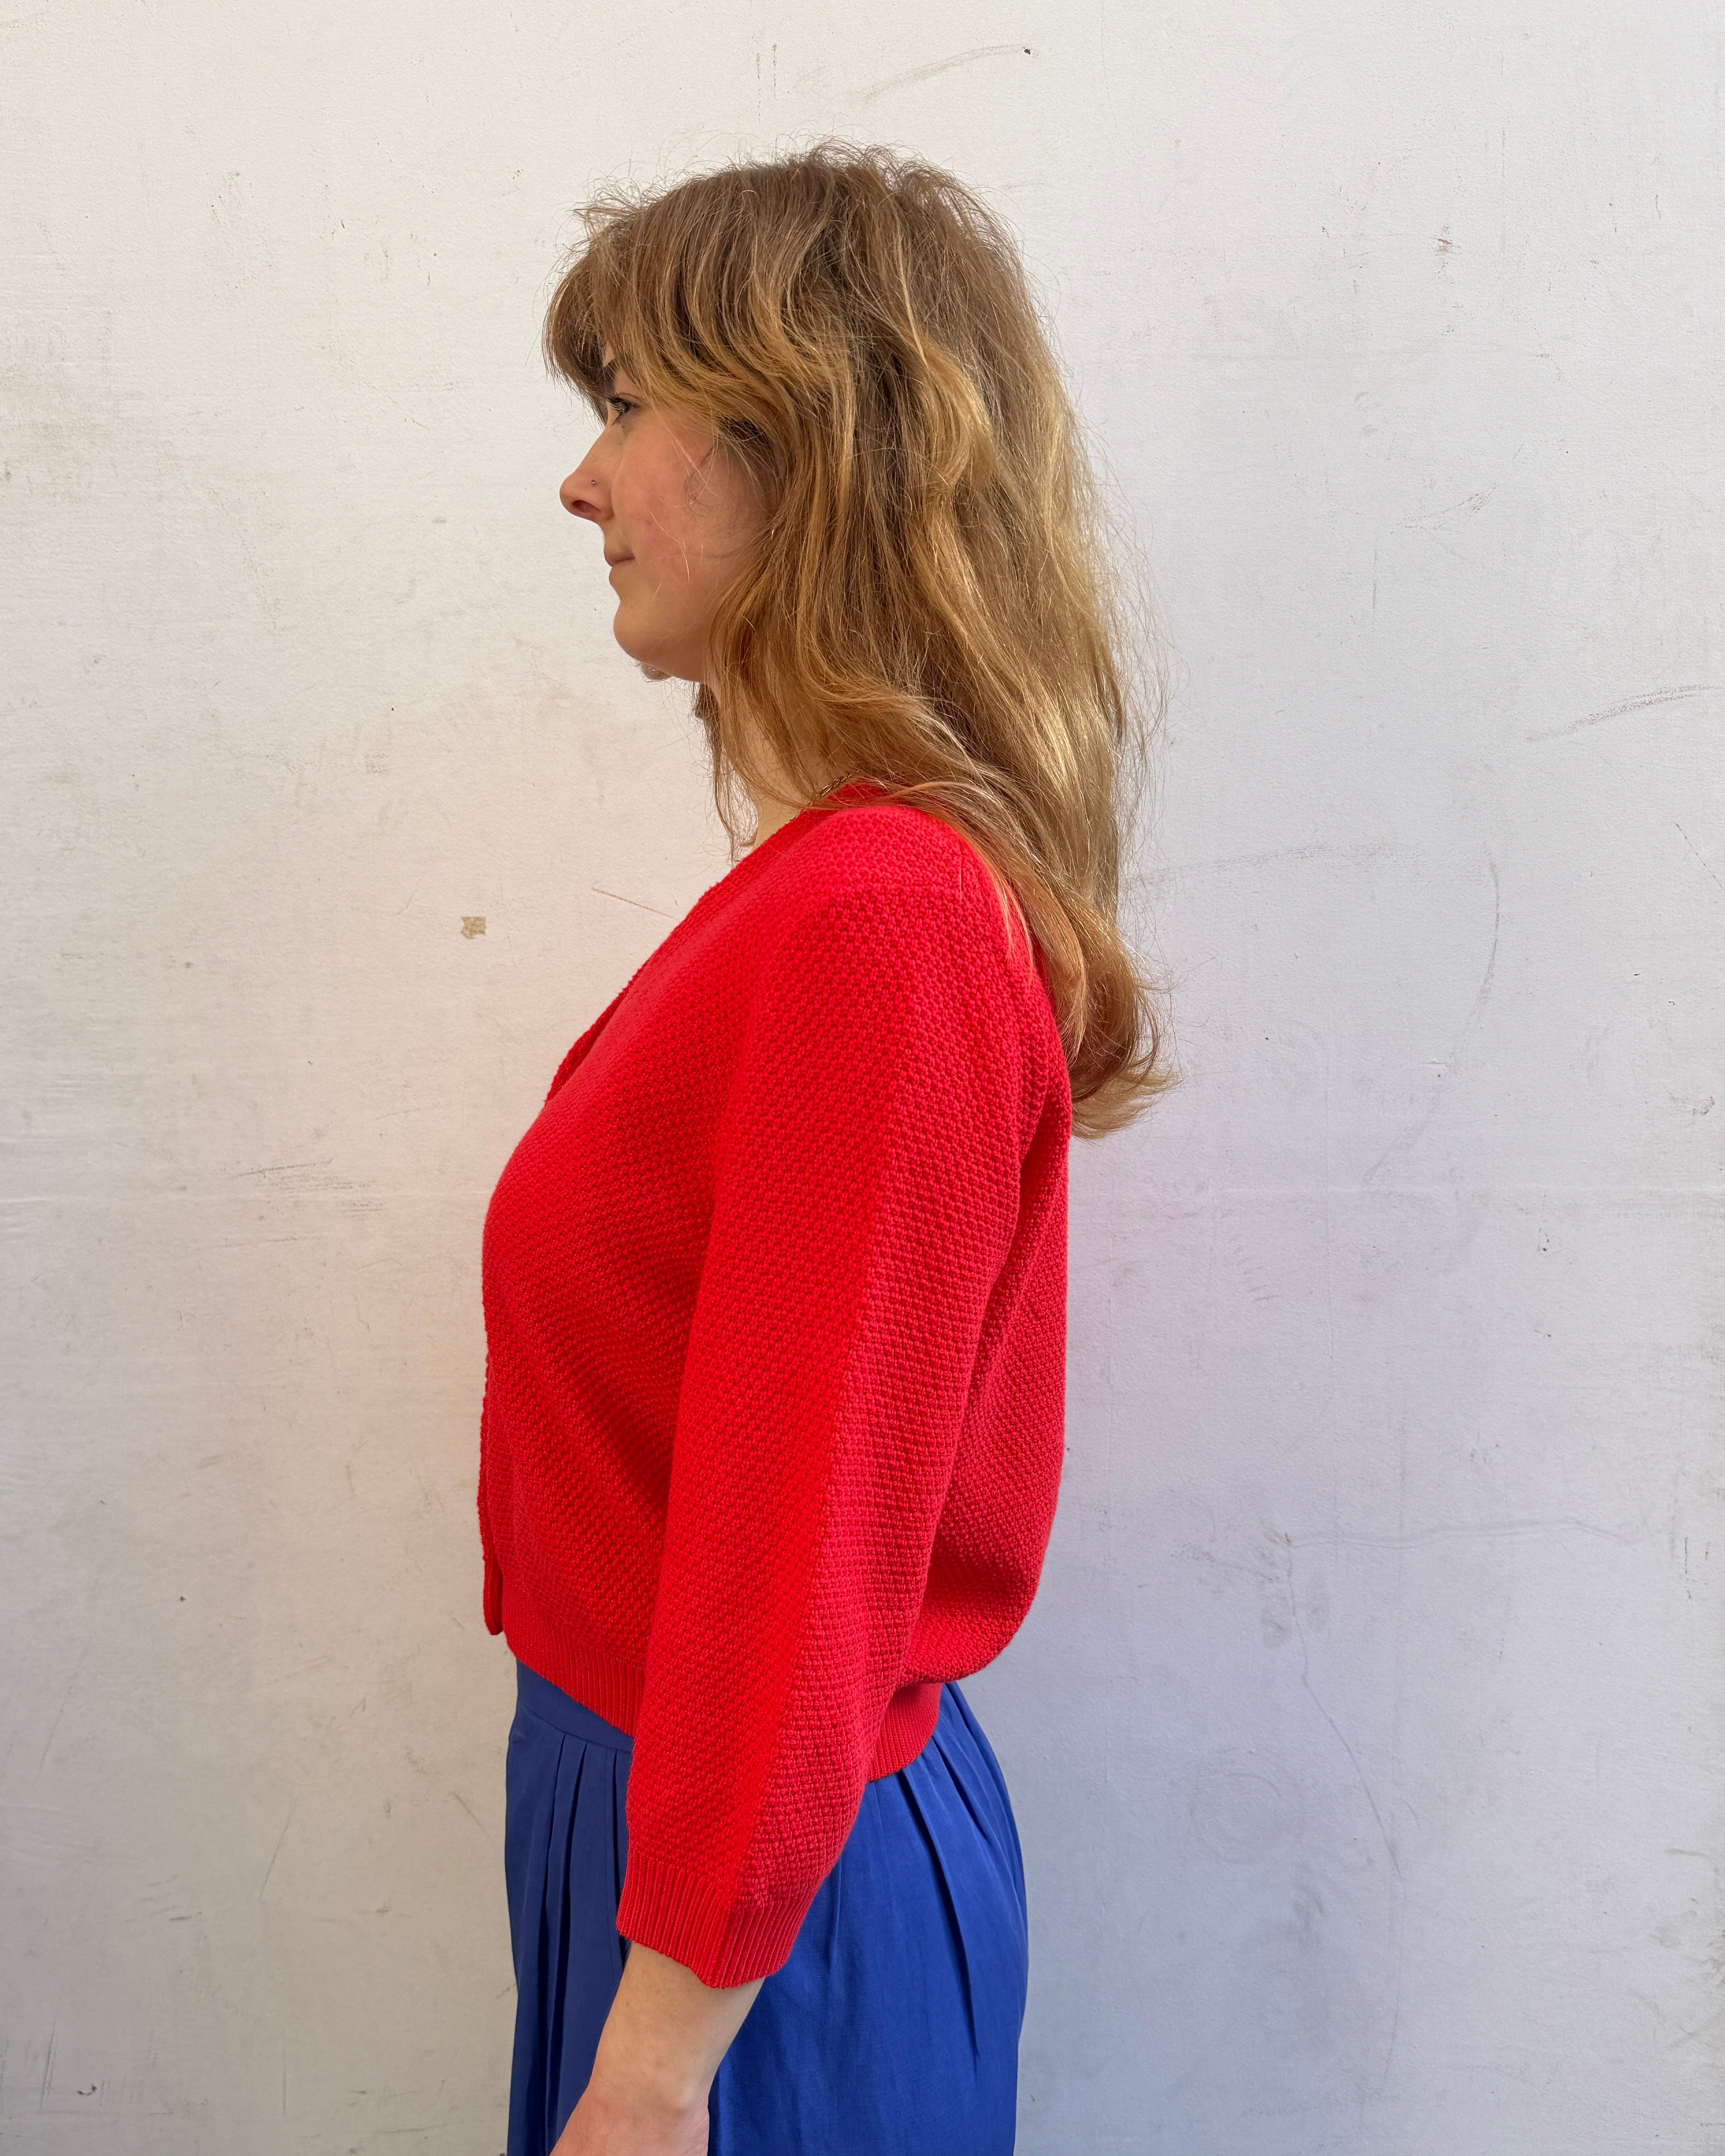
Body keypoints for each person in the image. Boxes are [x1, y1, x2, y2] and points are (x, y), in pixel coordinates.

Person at [476, 140, 1171, 2156]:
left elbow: (800, 1555)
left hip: (743, 1927)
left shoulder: (878, 923)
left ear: (808, 447)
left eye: (625, 408)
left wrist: (657, 2061)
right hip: (686, 1859)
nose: (581, 482)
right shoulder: (823, 899)